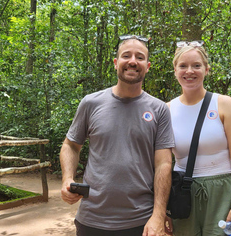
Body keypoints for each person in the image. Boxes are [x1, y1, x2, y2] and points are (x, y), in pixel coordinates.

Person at [60, 35, 174, 236]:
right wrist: (67, 178)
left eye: (139, 57)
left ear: (147, 66)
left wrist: (158, 215)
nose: (132, 61)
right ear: (115, 63)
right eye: (126, 55)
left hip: (140, 220)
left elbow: (163, 164)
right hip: (92, 218)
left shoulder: (159, 109)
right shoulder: (90, 103)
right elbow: (71, 145)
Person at [168, 40, 231, 236]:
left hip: (221, 190)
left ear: (206, 69)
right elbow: (162, 162)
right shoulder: (167, 109)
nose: (190, 71)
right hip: (182, 193)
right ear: (175, 70)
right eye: (183, 66)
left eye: (196, 65)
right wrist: (163, 209)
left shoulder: (224, 104)